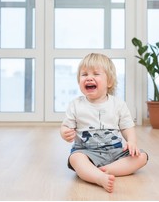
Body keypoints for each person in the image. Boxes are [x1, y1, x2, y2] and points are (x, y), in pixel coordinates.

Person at [60, 53, 148, 193]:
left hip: (115, 152)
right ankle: (98, 177)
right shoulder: (75, 105)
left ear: (109, 82)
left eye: (96, 73)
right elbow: (66, 126)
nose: (89, 77)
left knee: (142, 157)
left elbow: (127, 126)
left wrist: (131, 142)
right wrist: (64, 132)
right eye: (84, 74)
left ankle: (103, 171)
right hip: (87, 152)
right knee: (75, 158)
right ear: (79, 81)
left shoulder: (117, 104)